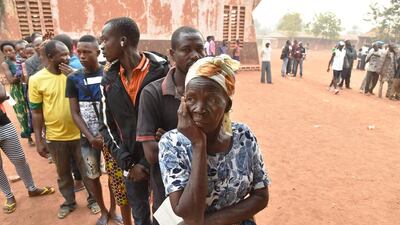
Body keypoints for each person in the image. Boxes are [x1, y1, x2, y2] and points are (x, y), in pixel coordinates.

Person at [158, 55, 270, 225]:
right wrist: (198, 144)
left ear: (227, 104)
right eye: (191, 99)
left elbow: (261, 196)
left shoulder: (243, 136)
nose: (199, 109)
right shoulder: (172, 144)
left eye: (211, 99)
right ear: (183, 102)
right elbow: (188, 213)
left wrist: (209, 222)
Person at [99, 17, 169, 225]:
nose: (101, 46)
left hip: (161, 159)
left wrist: (146, 163)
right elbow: (106, 125)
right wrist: (128, 164)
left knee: (163, 213)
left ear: (123, 41)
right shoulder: (109, 79)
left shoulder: (162, 72)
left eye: (105, 40)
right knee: (139, 214)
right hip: (129, 161)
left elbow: (171, 122)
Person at [136, 26, 205, 224]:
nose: (195, 55)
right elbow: (151, 155)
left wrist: (171, 140)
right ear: (172, 54)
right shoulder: (152, 94)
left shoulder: (213, 91)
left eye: (200, 49)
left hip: (208, 190)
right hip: (168, 195)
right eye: (187, 49)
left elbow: (223, 139)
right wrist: (195, 140)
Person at [29, 40, 91, 219]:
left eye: (68, 53)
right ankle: (69, 202)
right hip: (56, 137)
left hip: (81, 133)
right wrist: (39, 140)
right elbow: (37, 112)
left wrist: (76, 78)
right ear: (50, 57)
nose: (68, 57)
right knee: (63, 174)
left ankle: (93, 199)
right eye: (62, 54)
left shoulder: (76, 73)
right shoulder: (36, 80)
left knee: (88, 171)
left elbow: (90, 96)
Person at [66, 35, 124, 225]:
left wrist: (104, 134)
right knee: (92, 175)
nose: (81, 56)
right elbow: (75, 113)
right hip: (87, 138)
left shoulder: (109, 74)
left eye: (87, 52)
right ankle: (103, 211)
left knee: (113, 174)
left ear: (98, 53)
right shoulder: (73, 79)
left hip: (109, 137)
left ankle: (114, 209)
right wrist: (90, 136)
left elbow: (115, 107)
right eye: (79, 52)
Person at [0, 82, 54, 214]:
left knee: (20, 159)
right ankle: (9, 196)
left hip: (3, 124)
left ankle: (32, 188)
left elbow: (2, 94)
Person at [0, 42, 34, 145]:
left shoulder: (22, 60)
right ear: (3, 53)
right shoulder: (5, 64)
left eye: (10, 50)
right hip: (16, 92)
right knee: (21, 114)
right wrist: (19, 72)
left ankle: (36, 132)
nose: (9, 52)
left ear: (14, 49)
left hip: (27, 87)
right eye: (6, 51)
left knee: (31, 110)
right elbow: (10, 80)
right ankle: (28, 137)